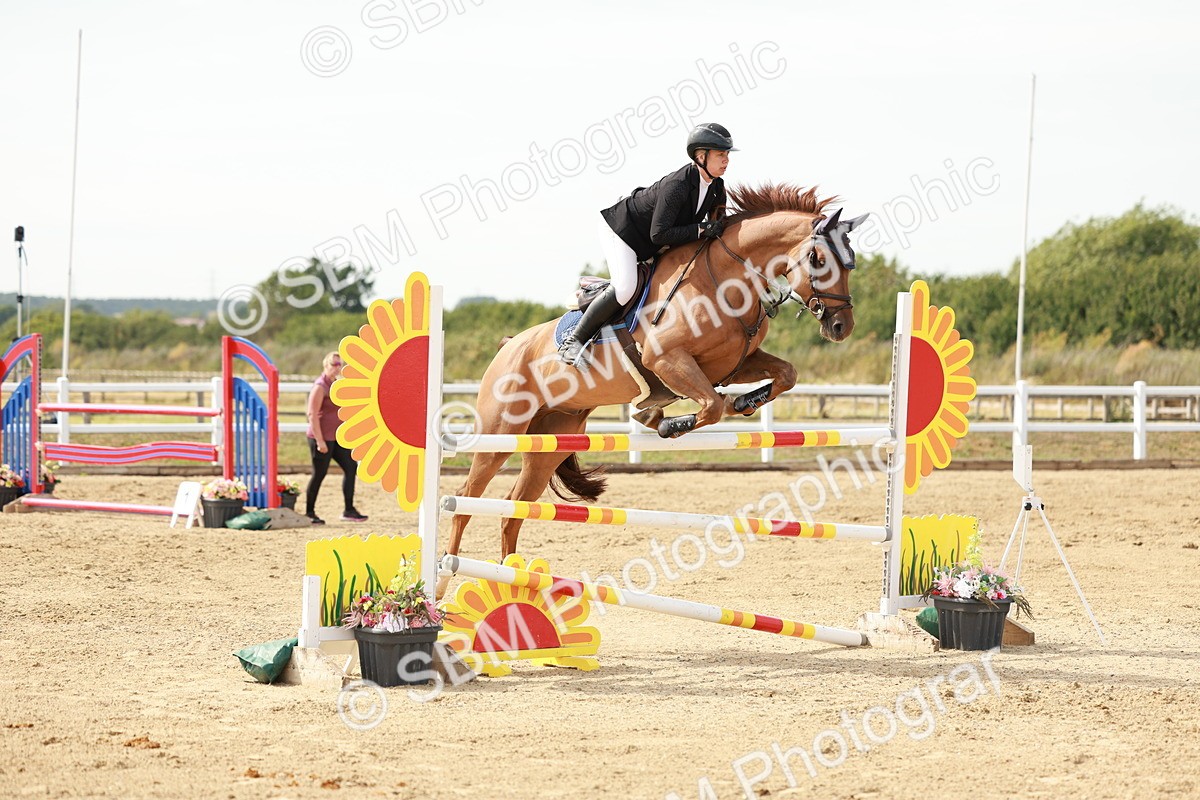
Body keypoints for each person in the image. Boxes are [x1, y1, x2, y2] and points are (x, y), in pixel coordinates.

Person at [558, 122, 737, 368]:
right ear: (701, 156)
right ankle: (574, 341)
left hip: (652, 239)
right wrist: (701, 229)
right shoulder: (679, 184)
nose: (726, 160)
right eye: (721, 154)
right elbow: (659, 234)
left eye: (727, 154)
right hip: (623, 231)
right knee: (625, 287)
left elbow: (718, 227)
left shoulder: (716, 187)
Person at [305, 351, 367, 524]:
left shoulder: (337, 385)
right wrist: (320, 441)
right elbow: (312, 415)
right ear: (326, 366)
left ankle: (349, 509)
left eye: (340, 364)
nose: (338, 368)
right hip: (321, 438)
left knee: (350, 467)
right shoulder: (320, 387)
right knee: (319, 474)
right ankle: (309, 512)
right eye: (334, 364)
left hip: (337, 437)